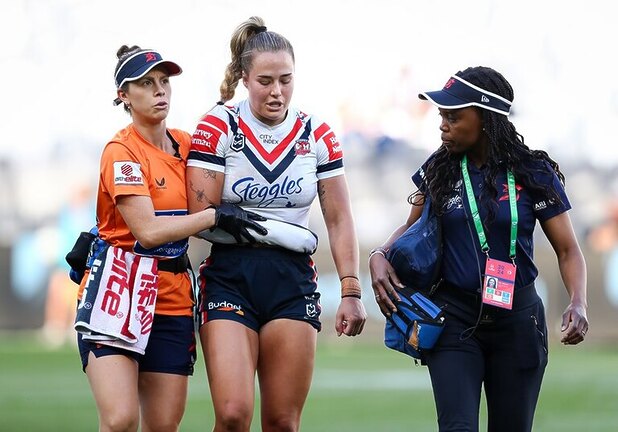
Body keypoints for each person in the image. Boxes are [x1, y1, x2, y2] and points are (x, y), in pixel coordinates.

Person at [369, 66, 588, 432]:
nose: (443, 125)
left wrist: (578, 302)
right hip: (453, 320)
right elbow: (411, 226)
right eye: (442, 116)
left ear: (486, 118)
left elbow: (568, 250)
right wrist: (379, 253)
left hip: (518, 322)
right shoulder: (439, 169)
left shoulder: (534, 173)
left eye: (454, 117)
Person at [186, 16, 367, 432]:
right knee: (232, 414)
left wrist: (351, 289)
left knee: (283, 422)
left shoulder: (317, 133)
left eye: (286, 79)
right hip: (231, 275)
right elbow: (200, 216)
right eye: (265, 80)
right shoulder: (217, 126)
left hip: (292, 280)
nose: (277, 91)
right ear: (244, 79)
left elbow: (339, 218)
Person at [74, 44, 265, 432]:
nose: (160, 90)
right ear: (123, 96)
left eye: (164, 81)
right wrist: (213, 216)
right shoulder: (121, 151)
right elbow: (147, 231)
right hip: (119, 291)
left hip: (172, 297)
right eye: (146, 83)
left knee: (162, 426)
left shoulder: (185, 143)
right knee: (121, 420)